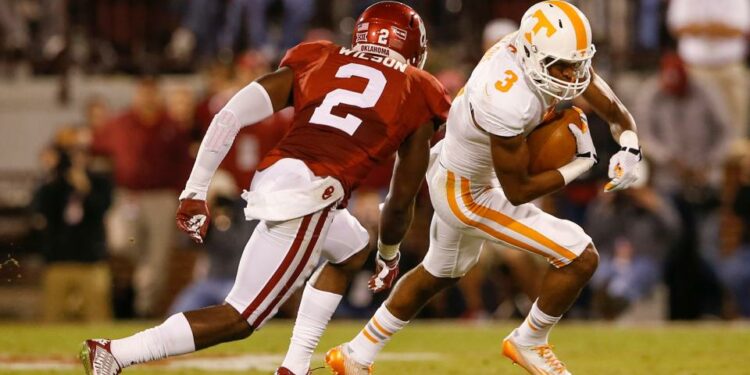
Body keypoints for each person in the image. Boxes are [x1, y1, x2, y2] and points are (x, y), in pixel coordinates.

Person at [79, 3, 451, 375]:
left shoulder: (319, 56)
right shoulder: (419, 88)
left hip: (277, 175)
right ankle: (116, 352)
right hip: (313, 193)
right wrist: (389, 254)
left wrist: (195, 189)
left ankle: (295, 365)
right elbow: (401, 198)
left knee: (352, 247)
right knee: (241, 317)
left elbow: (230, 114)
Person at [326, 2, 643, 374]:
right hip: (468, 192)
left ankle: (356, 353)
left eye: (576, 63)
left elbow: (602, 96)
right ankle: (530, 341)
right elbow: (518, 191)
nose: (571, 75)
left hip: (460, 167)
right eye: (562, 66)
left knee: (439, 272)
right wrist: (581, 163)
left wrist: (630, 144)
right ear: (531, 54)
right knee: (580, 255)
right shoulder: (507, 98)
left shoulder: (539, 53)